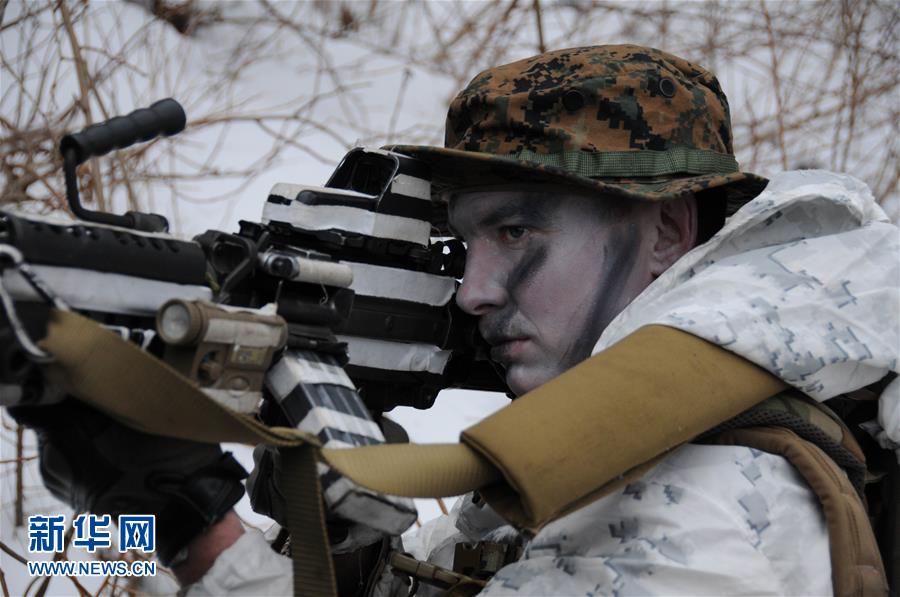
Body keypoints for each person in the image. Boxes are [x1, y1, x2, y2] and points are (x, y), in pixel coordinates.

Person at [15, 45, 898, 596]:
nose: (473, 292)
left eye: (517, 231)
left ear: (667, 228)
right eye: (467, 241)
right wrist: (203, 529)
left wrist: (202, 537)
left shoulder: (699, 510)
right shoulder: (610, 447)